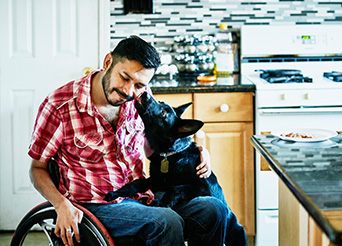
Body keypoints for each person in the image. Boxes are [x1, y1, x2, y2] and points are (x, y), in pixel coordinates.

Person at [29, 35, 244, 246]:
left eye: (139, 85)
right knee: (166, 222)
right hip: (95, 206)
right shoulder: (60, 106)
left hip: (143, 197)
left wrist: (197, 149)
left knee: (213, 209)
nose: (128, 91)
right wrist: (60, 205)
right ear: (108, 62)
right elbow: (37, 168)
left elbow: (166, 132)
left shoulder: (140, 96)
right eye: (124, 77)